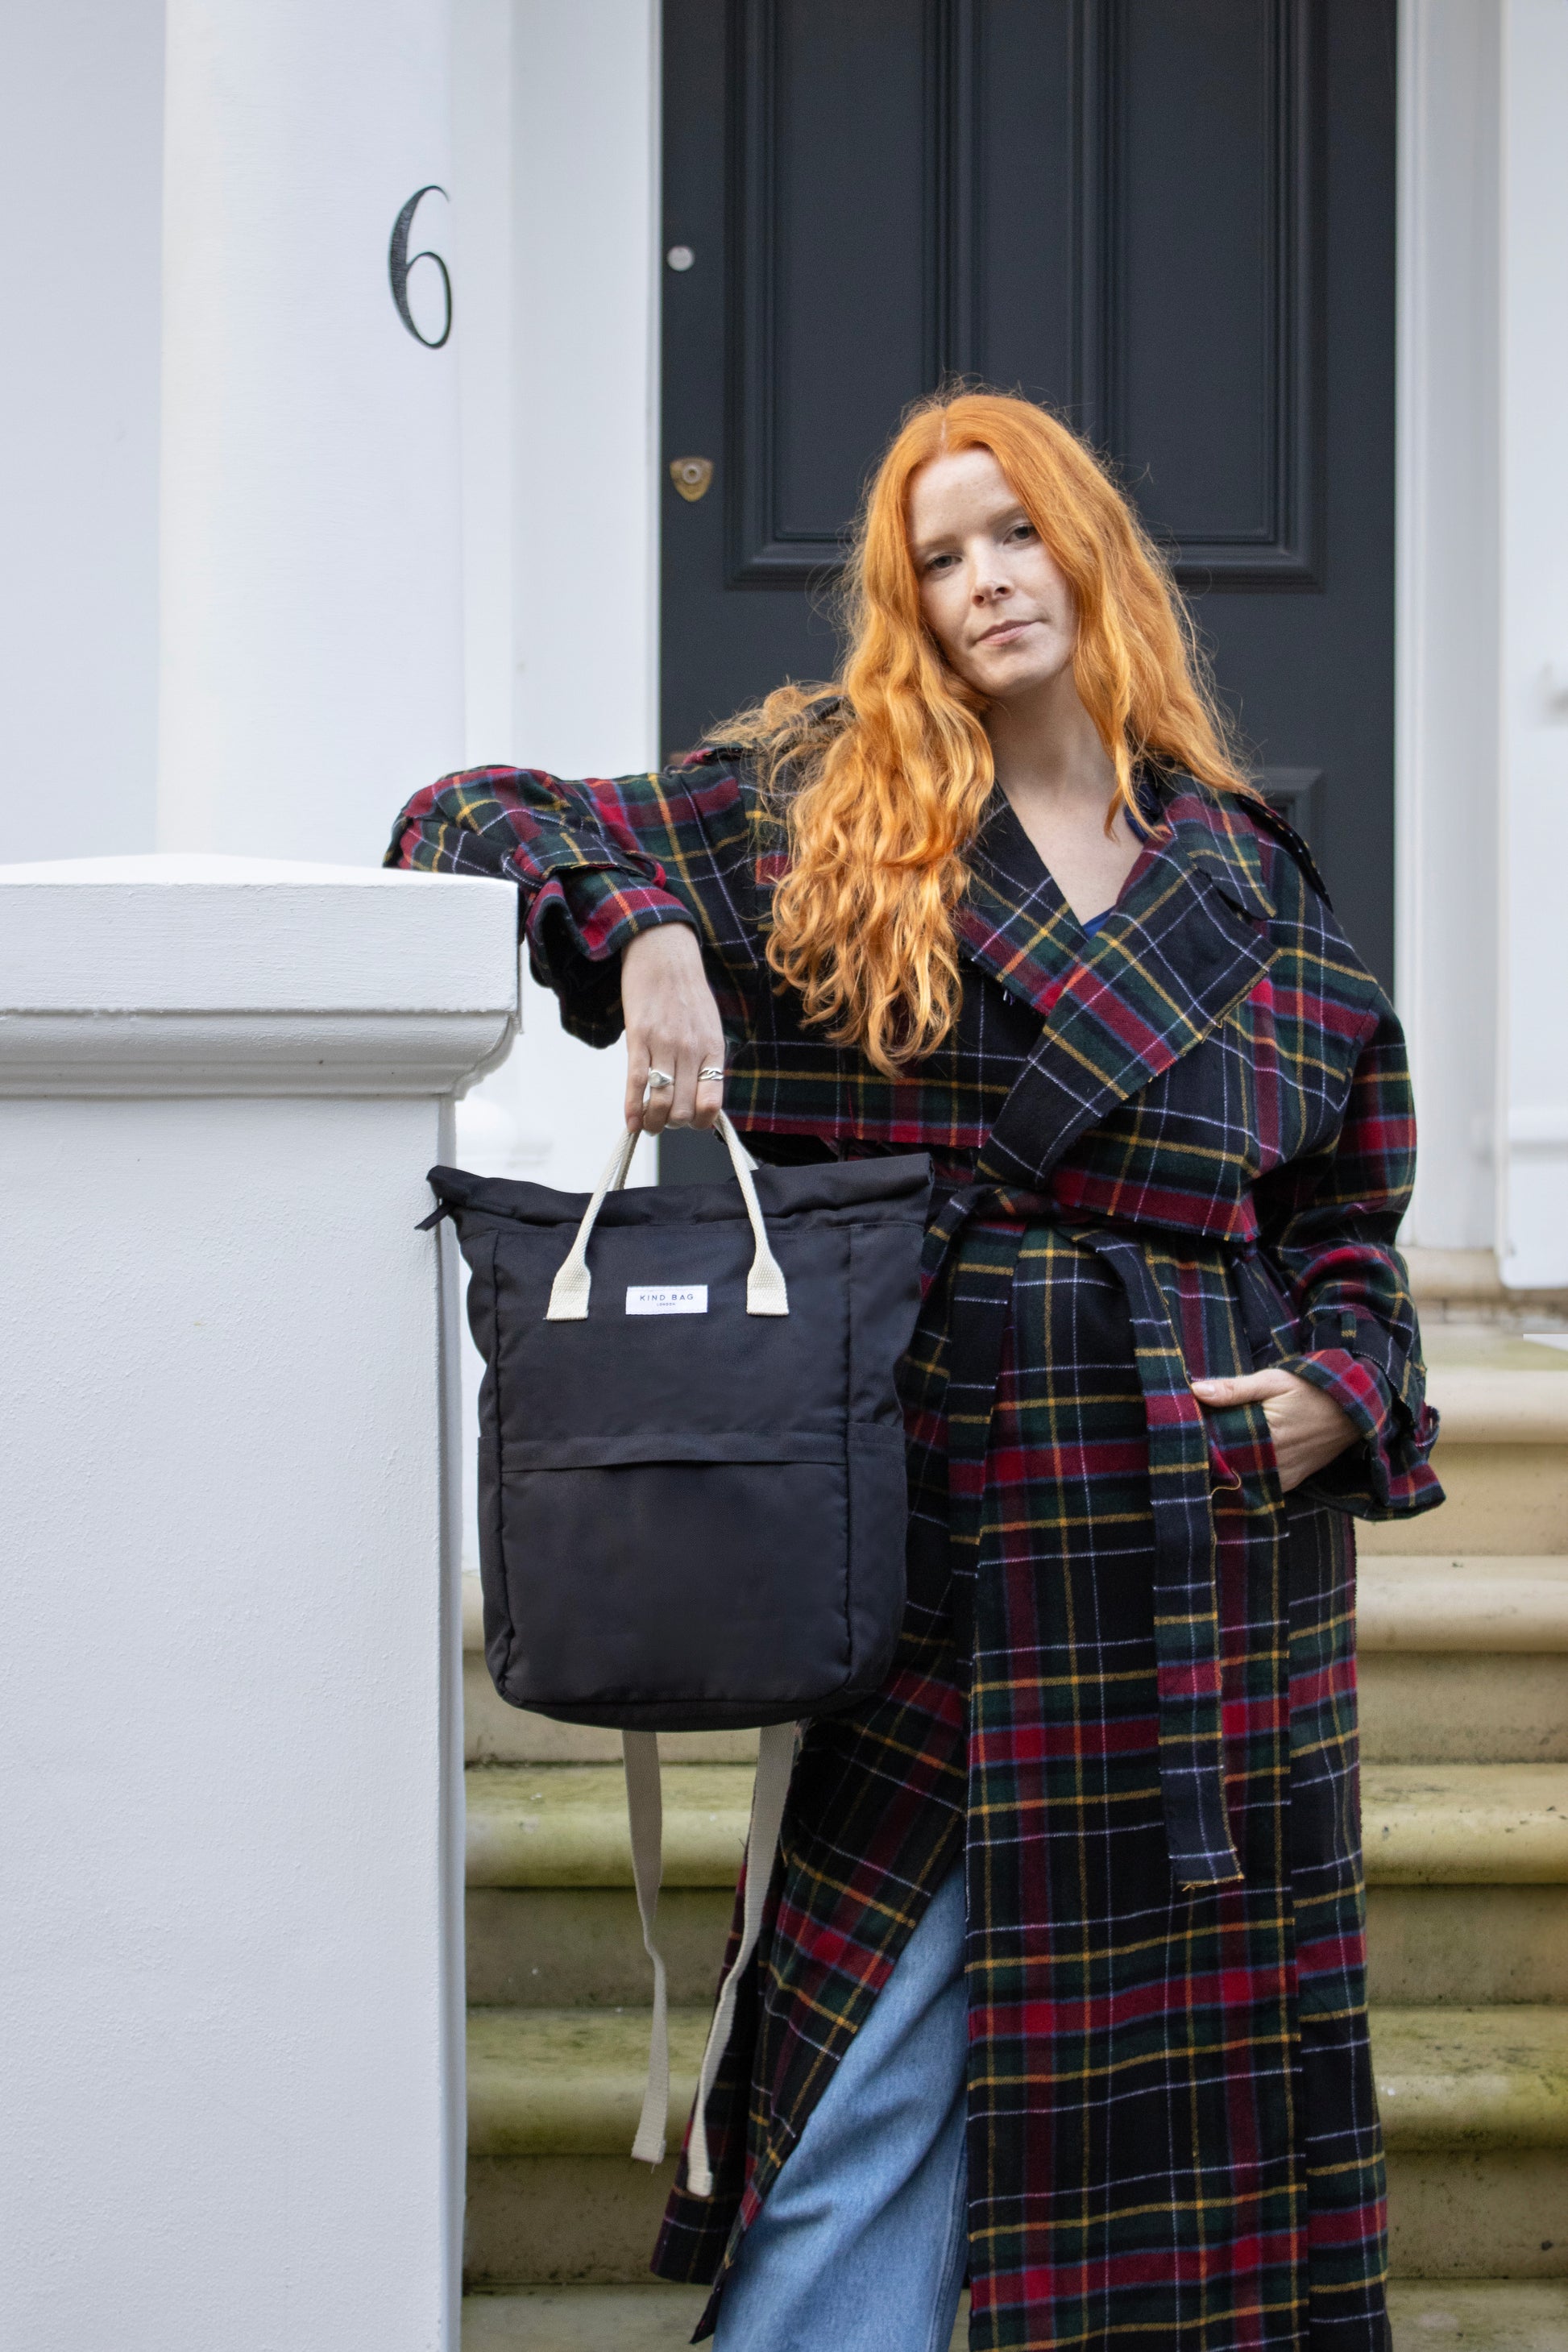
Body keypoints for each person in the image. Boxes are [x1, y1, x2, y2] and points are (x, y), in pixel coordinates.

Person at [387, 391, 1442, 2352]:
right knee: (870, 2042)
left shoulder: (1245, 872)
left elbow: (1346, 1217)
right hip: (943, 1509)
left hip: (1209, 1552)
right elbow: (462, 814)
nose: (986, 581)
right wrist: (646, 937)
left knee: (1192, 2084)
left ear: (1089, 551)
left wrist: (1342, 1388)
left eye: (1015, 532)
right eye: (940, 557)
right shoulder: (826, 802)